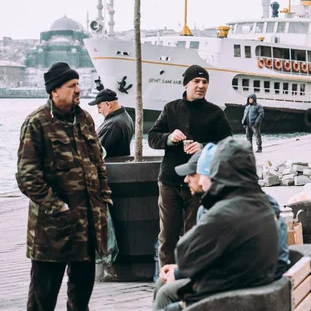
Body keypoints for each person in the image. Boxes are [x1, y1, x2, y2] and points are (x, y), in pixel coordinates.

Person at [16, 62, 112, 311]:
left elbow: (97, 163)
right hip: (52, 232)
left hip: (87, 229)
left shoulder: (85, 119)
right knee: (42, 299)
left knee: (80, 300)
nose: (79, 89)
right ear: (54, 91)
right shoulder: (37, 123)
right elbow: (27, 177)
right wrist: (58, 208)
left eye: (78, 84)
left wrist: (104, 197)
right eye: (72, 85)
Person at [153, 138, 278, 311]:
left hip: (226, 298)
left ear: (220, 170)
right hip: (245, 289)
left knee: (164, 298)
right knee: (166, 289)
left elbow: (184, 254)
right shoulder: (260, 204)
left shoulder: (226, 211)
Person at [149, 64, 232, 269]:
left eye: (204, 82)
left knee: (194, 236)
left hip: (199, 183)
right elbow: (152, 138)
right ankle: (166, 280)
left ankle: (191, 278)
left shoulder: (215, 113)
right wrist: (169, 138)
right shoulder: (170, 108)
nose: (201, 85)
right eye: (196, 81)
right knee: (167, 237)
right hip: (169, 181)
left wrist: (204, 147)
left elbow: (229, 145)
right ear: (186, 84)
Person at [88, 88, 134, 158]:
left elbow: (97, 152)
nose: (99, 111)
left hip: (110, 166)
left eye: (99, 107)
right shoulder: (125, 117)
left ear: (108, 104)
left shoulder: (114, 125)